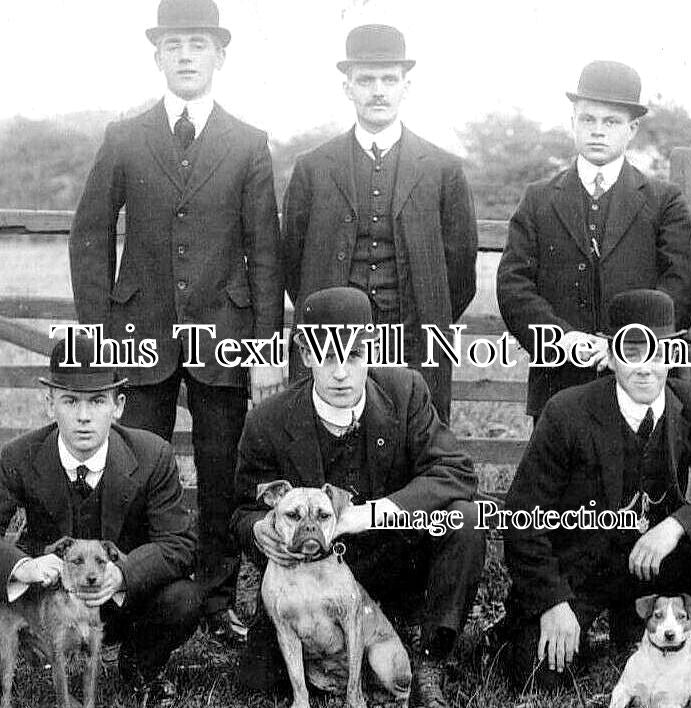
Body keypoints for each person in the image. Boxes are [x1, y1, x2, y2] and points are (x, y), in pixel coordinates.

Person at [69, 0, 284, 640]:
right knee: (132, 470)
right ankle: (126, 596)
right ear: (157, 54)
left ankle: (217, 602)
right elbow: (90, 235)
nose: (186, 55)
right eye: (174, 44)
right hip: (137, 338)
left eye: (198, 44)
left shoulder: (249, 142)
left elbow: (266, 251)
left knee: (222, 476)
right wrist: (97, 329)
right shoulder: (124, 137)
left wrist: (267, 347)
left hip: (225, 336)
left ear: (220, 55)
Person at [231, 287, 484, 708]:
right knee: (257, 683)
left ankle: (429, 659)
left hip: (400, 560)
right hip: (310, 582)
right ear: (305, 355)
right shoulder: (268, 420)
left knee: (465, 519)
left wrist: (372, 514)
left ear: (373, 349)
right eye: (328, 358)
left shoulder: (406, 392)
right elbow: (241, 510)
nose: (343, 374)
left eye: (354, 355)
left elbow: (456, 471)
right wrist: (259, 528)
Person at [502, 289, 691, 691]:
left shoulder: (690, 403)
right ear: (608, 354)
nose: (646, 369)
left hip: (657, 564)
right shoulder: (566, 412)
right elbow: (521, 520)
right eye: (631, 352)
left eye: (658, 353)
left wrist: (675, 525)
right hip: (583, 571)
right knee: (538, 676)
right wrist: (553, 602)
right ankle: (577, 633)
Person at [282, 24, 477, 424]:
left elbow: (460, 270)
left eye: (389, 79)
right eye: (366, 79)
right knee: (327, 441)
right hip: (331, 347)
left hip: (413, 340)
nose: (378, 90)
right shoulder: (314, 167)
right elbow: (293, 263)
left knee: (413, 440)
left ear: (406, 85)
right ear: (347, 87)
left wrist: (427, 314)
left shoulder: (443, 170)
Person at [0, 336, 199, 708]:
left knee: (184, 599)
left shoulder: (153, 454)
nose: (84, 416)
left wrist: (122, 574)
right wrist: (23, 567)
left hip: (123, 603)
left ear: (118, 405)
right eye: (70, 401)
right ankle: (31, 655)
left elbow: (179, 544)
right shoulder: (18, 456)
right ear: (49, 404)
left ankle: (136, 664)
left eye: (97, 401)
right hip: (52, 604)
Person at [498, 61, 691, 419]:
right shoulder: (538, 198)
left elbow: (683, 285)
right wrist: (561, 338)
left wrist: (628, 345)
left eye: (611, 122)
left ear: (632, 128)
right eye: (588, 119)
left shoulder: (663, 200)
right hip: (559, 379)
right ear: (572, 121)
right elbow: (514, 285)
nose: (597, 131)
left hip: (640, 377)